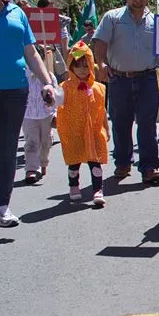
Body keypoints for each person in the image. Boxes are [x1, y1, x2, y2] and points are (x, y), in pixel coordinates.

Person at [0, 0, 55, 227]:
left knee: (8, 149)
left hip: (15, 90)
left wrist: (47, 81)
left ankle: (1, 206)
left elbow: (31, 52)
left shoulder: (18, 13)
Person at [93, 0, 159, 184]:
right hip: (119, 79)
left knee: (147, 124)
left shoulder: (158, 22)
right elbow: (100, 43)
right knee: (121, 122)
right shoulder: (112, 17)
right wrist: (101, 65)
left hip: (147, 78)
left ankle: (149, 167)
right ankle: (122, 163)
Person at [57, 41, 109, 205]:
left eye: (85, 65)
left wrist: (106, 128)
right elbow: (56, 104)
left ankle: (97, 190)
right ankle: (74, 186)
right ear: (71, 65)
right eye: (77, 65)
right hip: (74, 130)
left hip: (94, 131)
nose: (82, 69)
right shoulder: (64, 87)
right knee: (74, 161)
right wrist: (50, 95)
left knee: (96, 161)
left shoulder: (99, 88)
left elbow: (102, 110)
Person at [23, 45, 58, 184]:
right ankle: (31, 169)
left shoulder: (49, 76)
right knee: (31, 142)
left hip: (46, 114)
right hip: (28, 115)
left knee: (46, 142)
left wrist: (55, 113)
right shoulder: (22, 75)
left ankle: (43, 162)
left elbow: (56, 96)